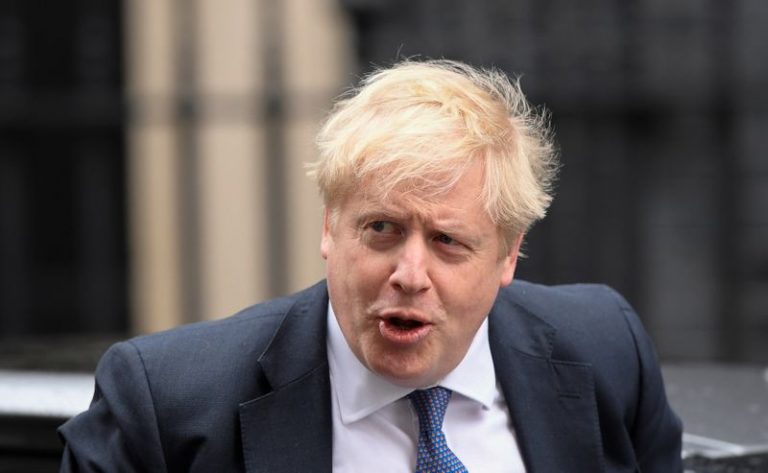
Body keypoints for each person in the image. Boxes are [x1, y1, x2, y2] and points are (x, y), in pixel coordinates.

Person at [58, 60, 683, 472]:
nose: (410, 274)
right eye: (382, 229)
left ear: (508, 255)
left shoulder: (604, 349)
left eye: (447, 241)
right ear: (330, 227)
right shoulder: (166, 403)